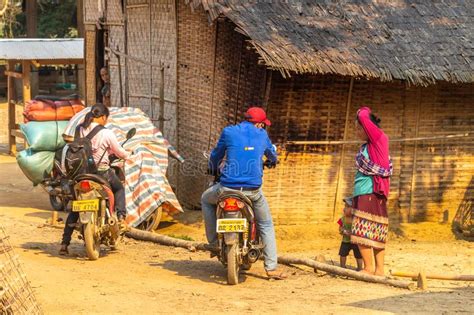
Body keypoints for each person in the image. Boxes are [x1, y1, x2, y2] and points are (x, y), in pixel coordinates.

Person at [201, 107, 287, 280]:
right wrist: (272, 161)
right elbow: (272, 154)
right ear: (261, 123)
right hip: (252, 192)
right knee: (266, 224)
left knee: (205, 199)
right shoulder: (262, 135)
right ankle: (271, 268)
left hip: (227, 189)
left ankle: (212, 242)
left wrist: (212, 167)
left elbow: (217, 154)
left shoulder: (229, 132)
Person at [59, 103, 130, 255]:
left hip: (80, 175)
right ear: (103, 117)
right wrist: (129, 154)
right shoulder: (107, 133)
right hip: (101, 174)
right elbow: (119, 152)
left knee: (75, 205)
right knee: (119, 188)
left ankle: (64, 244)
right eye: (106, 118)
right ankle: (121, 217)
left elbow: (69, 149)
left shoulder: (79, 129)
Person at [351, 106, 392, 276]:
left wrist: (362, 111)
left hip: (369, 190)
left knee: (363, 229)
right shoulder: (369, 145)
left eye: (359, 128)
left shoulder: (378, 138)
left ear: (367, 128)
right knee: (376, 229)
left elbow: (363, 114)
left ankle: (369, 268)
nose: (357, 132)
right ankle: (379, 269)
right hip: (368, 191)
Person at [337, 197, 363, 271]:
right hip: (345, 241)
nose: (344, 208)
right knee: (342, 253)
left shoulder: (356, 220)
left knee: (358, 255)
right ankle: (342, 267)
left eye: (348, 207)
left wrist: (353, 233)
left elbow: (359, 230)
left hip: (355, 241)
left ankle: (360, 268)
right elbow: (340, 228)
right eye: (345, 206)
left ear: (354, 210)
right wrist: (343, 231)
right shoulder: (343, 219)